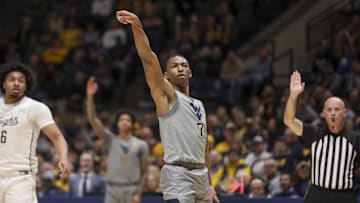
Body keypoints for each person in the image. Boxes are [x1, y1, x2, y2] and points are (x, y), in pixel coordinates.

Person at [116, 10, 220, 203]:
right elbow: (148, 58)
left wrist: (210, 184)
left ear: (190, 72)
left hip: (202, 177)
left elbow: (204, 147)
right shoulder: (167, 96)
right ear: (166, 76)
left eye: (184, 65)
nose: (180, 68)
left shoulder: (199, 104)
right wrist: (137, 26)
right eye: (174, 66)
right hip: (178, 174)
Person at [283, 70, 360, 203]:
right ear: (323, 114)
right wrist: (293, 96)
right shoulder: (314, 132)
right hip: (317, 195)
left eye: (337, 110)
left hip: (345, 196)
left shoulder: (356, 138)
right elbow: (289, 121)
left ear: (345, 113)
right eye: (329, 110)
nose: (333, 113)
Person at [0, 63, 71, 203]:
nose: (16, 83)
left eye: (21, 81)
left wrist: (63, 158)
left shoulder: (35, 108)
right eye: (12, 79)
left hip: (19, 179)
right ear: (3, 84)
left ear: (26, 86)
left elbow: (57, 137)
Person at [86, 76, 149, 203]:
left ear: (132, 124)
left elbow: (145, 172)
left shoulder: (141, 144)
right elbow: (93, 119)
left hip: (132, 189)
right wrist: (90, 96)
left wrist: (138, 193)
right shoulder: (110, 139)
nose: (124, 122)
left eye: (128, 120)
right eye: (121, 120)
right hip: (111, 189)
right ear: (117, 124)